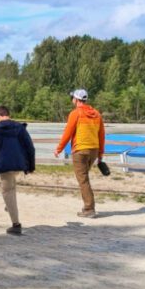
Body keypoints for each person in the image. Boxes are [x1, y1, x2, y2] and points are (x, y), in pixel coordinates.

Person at [0, 105, 36, 235]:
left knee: (7, 191)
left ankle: (16, 224)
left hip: (4, 164)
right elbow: (30, 147)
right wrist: (31, 166)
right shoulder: (19, 127)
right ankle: (10, 206)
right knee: (11, 187)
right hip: (18, 163)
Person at [54, 88, 105, 219]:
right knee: (84, 178)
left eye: (72, 98)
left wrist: (59, 149)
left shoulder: (75, 114)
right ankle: (87, 206)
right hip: (93, 150)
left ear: (76, 100)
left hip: (80, 150)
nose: (72, 100)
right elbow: (101, 136)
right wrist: (100, 155)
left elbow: (68, 133)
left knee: (83, 180)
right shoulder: (97, 114)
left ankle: (89, 208)